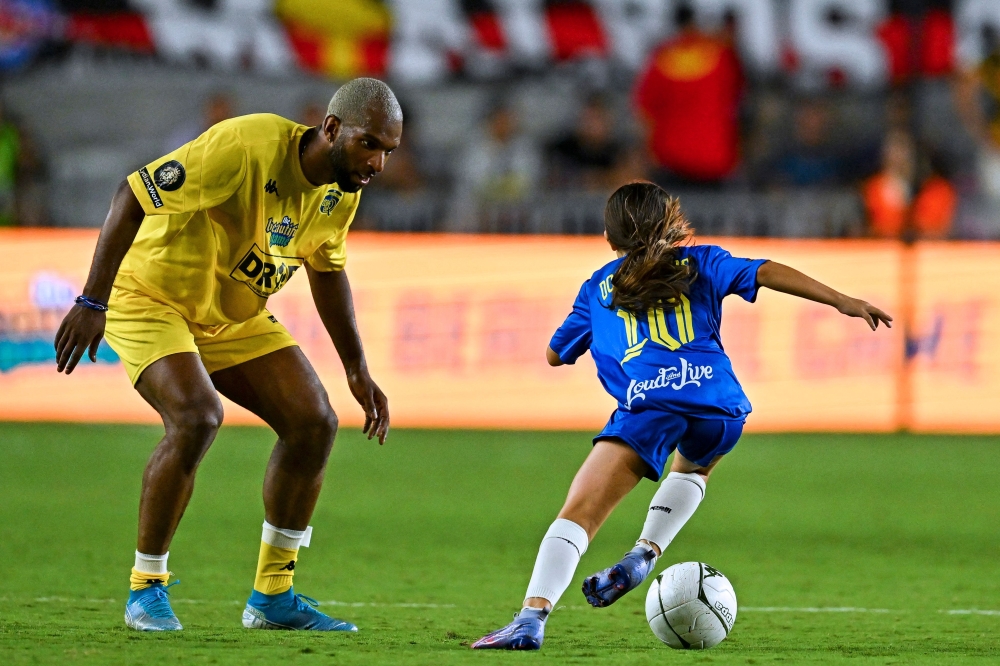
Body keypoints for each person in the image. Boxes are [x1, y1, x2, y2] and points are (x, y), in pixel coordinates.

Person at [472, 181, 892, 651]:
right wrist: (841, 300)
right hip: (720, 404)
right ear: (670, 222)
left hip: (650, 406)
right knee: (694, 468)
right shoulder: (702, 262)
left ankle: (531, 618)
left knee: (580, 515)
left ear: (609, 237)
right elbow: (764, 270)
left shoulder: (597, 288)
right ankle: (644, 552)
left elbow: (555, 355)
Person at [53, 78, 402, 632]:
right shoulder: (245, 146)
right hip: (152, 297)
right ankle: (145, 588)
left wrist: (356, 368)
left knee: (314, 423)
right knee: (196, 417)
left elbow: (327, 269)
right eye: (369, 144)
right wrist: (92, 300)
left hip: (232, 315)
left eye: (388, 150)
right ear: (332, 127)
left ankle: (273, 595)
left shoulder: (343, 190)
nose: (378, 163)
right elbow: (132, 194)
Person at [633, 3, 743, 187]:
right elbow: (737, 98)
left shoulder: (662, 58)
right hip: (714, 158)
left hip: (670, 159)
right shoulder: (722, 55)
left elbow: (644, 110)